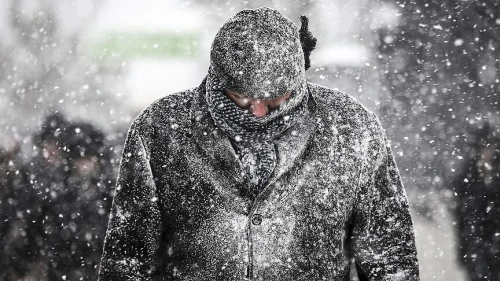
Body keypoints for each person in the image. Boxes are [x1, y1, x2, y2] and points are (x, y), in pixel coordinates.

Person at [99, 7, 420, 281]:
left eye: (274, 98)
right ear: (217, 78)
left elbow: (390, 259)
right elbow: (127, 259)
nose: (258, 111)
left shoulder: (351, 129)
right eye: (241, 97)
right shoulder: (161, 130)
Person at [452, 121, 500, 281]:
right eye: (483, 147)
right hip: (475, 248)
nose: (487, 151)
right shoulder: (467, 176)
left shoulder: (495, 175)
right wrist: (462, 249)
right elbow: (460, 216)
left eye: (490, 146)